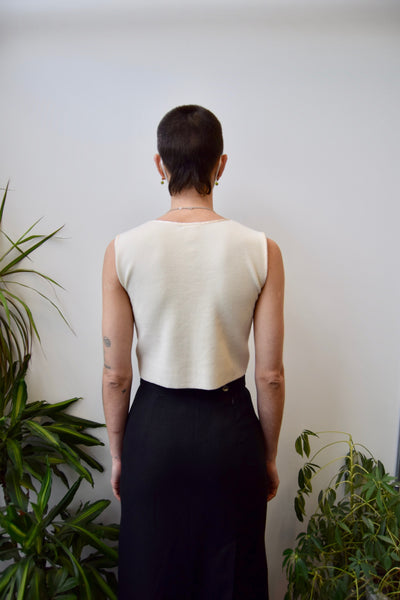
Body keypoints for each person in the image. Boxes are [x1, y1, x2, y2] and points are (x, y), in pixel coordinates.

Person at [102, 105, 285, 600]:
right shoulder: (262, 250)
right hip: (231, 434)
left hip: (153, 433)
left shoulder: (122, 250)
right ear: (220, 165)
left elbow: (116, 375)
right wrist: (267, 455)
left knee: (152, 577)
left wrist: (119, 453)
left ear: (159, 165)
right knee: (232, 578)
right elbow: (270, 375)